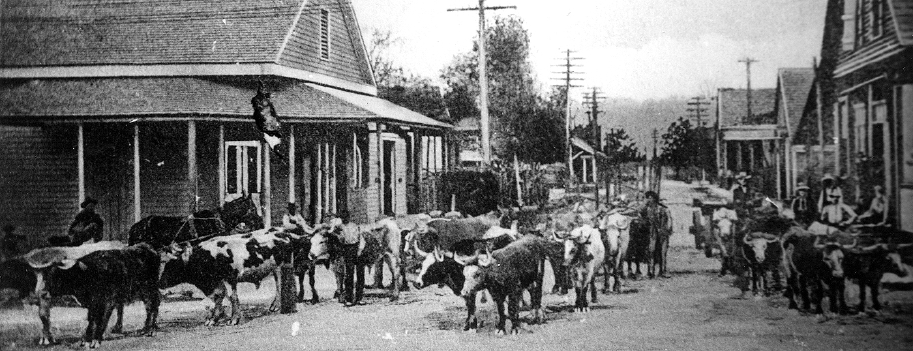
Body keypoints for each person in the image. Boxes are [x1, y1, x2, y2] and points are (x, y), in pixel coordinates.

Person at [327, 212, 365, 307]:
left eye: (346, 217)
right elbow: (331, 233)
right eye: (343, 217)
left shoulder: (355, 226)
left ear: (349, 217)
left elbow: (361, 238)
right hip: (347, 249)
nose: (345, 219)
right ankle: (349, 299)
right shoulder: (339, 227)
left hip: (357, 248)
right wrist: (335, 231)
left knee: (360, 274)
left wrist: (360, 250)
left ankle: (359, 298)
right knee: (349, 274)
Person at [640, 191, 672, 278]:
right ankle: (651, 271)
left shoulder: (663, 209)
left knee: (662, 252)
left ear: (654, 199)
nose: (649, 200)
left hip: (662, 234)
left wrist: (667, 230)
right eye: (648, 198)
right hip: (652, 233)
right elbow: (640, 212)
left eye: (650, 198)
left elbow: (669, 221)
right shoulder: (647, 209)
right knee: (651, 251)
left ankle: (663, 271)